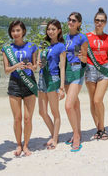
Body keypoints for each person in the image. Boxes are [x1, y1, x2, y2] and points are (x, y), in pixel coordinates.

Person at [2, 20, 38, 156]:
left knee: (28, 118)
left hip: (29, 83)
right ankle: (18, 145)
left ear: (23, 31)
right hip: (15, 83)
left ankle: (26, 145)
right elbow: (6, 70)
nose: (15, 33)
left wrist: (31, 67)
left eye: (18, 30)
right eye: (13, 31)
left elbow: (35, 66)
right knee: (17, 118)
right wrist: (16, 66)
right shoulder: (7, 48)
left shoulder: (32, 46)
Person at [85, 8, 108, 139]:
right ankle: (98, 128)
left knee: (98, 100)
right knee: (92, 101)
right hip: (90, 69)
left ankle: (102, 128)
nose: (99, 23)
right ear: (94, 21)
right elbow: (80, 53)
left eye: (102, 21)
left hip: (103, 70)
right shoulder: (86, 37)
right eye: (97, 20)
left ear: (105, 22)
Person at [37, 19, 66, 150]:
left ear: (59, 30)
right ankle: (54, 134)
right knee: (42, 111)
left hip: (53, 78)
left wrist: (62, 87)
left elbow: (62, 67)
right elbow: (39, 64)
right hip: (42, 77)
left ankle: (54, 138)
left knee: (55, 112)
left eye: (53, 29)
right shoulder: (44, 46)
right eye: (49, 29)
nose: (51, 31)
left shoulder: (61, 46)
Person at [64, 12, 88, 152]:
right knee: (75, 104)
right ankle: (78, 130)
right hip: (66, 72)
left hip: (77, 71)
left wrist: (81, 57)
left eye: (74, 20)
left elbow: (85, 59)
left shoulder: (82, 37)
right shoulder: (65, 37)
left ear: (79, 23)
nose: (71, 22)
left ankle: (76, 136)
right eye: (69, 19)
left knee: (68, 106)